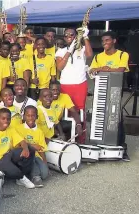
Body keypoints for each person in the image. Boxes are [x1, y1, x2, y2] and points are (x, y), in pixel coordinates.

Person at [89, 31, 130, 161]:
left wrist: (104, 69)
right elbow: (91, 70)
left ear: (114, 41)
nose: (104, 43)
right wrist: (98, 69)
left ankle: (122, 149)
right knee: (100, 114)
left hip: (116, 89)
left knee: (116, 117)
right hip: (101, 88)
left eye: (107, 40)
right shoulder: (98, 57)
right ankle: (101, 145)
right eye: (103, 41)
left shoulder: (123, 55)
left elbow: (121, 69)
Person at [55, 27, 93, 143]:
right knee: (66, 110)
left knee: (80, 111)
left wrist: (85, 37)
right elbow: (60, 67)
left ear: (76, 36)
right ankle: (67, 136)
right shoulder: (60, 51)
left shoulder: (81, 50)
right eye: (66, 35)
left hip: (80, 83)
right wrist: (69, 51)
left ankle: (81, 139)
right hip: (65, 84)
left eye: (71, 35)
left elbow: (90, 55)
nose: (68, 37)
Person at [0, 107, 35, 189]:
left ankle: (20, 176)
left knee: (30, 150)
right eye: (3, 119)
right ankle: (21, 177)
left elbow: (22, 141)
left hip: (9, 154)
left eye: (8, 119)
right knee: (8, 167)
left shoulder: (10, 128)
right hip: (0, 160)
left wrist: (25, 149)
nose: (6, 121)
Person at [16, 106, 49, 187]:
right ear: (24, 116)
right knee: (31, 153)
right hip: (24, 155)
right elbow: (18, 144)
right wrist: (32, 145)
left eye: (33, 115)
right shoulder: (18, 128)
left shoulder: (39, 132)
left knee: (45, 174)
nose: (30, 118)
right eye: (28, 115)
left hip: (36, 157)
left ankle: (29, 173)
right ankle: (35, 177)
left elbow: (41, 150)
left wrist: (45, 163)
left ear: (37, 117)